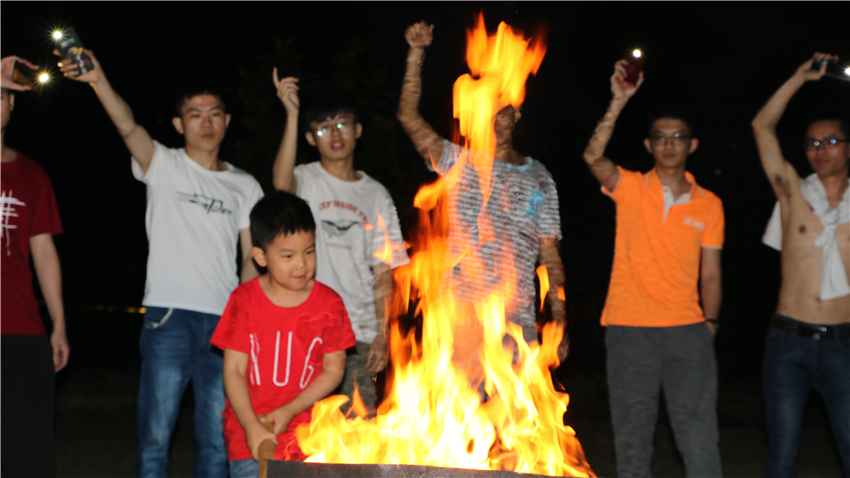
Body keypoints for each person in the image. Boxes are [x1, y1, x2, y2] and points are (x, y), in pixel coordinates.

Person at [59, 50, 264, 478]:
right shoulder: (163, 164)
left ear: (227, 121)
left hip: (223, 324)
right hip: (167, 315)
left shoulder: (245, 185)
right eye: (194, 115)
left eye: (214, 114)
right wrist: (98, 80)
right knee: (155, 437)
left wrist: (244, 315)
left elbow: (251, 258)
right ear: (179, 124)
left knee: (215, 440)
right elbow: (126, 125)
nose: (205, 124)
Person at [397, 21, 569, 375]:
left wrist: (559, 319)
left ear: (517, 113)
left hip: (517, 316)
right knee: (460, 419)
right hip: (461, 311)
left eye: (502, 107)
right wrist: (416, 55)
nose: (494, 115)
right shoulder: (459, 162)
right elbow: (408, 117)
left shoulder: (541, 179)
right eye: (486, 107)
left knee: (514, 421)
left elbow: (550, 256)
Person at [582, 59, 724, 478]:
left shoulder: (709, 204)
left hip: (688, 334)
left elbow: (711, 272)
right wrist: (617, 102)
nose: (668, 145)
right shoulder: (630, 188)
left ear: (692, 145)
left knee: (698, 438)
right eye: (660, 138)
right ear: (648, 146)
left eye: (678, 137)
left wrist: (710, 324)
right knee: (632, 441)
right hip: (630, 332)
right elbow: (592, 156)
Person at [270, 71, 408, 413]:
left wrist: (382, 334)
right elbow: (280, 186)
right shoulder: (307, 179)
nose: (334, 134)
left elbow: (384, 272)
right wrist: (290, 113)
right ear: (310, 138)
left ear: (358, 130)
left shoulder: (376, 194)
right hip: (306, 327)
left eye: (342, 124)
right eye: (322, 128)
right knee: (300, 430)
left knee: (357, 433)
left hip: (357, 333)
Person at [752, 53, 850, 478]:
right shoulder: (794, 193)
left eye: (831, 141)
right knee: (782, 458)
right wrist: (798, 78)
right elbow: (761, 127)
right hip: (788, 345)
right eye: (812, 143)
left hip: (845, 345)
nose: (820, 150)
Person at [211, 191, 356, 478]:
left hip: (308, 437)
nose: (302, 264)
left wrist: (289, 410)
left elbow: (333, 369)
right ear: (261, 256)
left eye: (309, 251)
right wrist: (252, 426)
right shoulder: (244, 301)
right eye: (288, 256)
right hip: (248, 437)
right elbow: (234, 371)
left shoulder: (330, 304)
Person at [1, 55, 70, 478]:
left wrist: (58, 323)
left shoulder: (32, 174)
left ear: (12, 106)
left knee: (28, 444)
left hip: (22, 327)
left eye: (4, 96)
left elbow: (43, 251)